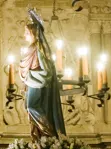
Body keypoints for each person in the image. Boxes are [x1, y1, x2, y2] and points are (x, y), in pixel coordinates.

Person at [19, 9, 67, 141]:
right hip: (31, 85)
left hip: (37, 85)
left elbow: (47, 72)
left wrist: (29, 76)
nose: (24, 36)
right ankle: (40, 139)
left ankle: (49, 135)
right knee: (29, 109)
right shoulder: (32, 49)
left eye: (26, 33)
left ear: (33, 32)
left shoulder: (39, 49)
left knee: (32, 107)